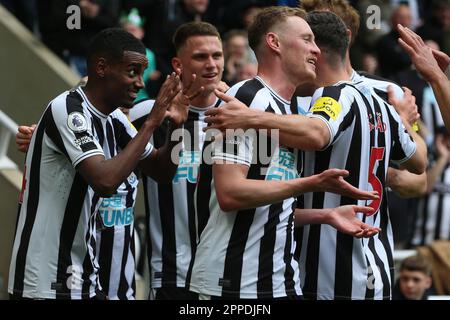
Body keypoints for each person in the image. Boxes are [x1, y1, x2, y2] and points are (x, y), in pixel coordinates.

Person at [204, 10, 427, 300]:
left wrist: (251, 118)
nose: (311, 48)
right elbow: (420, 165)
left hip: (325, 274)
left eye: (312, 39)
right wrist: (406, 124)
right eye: (304, 38)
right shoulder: (383, 100)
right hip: (363, 268)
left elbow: (318, 133)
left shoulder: (331, 97)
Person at [8, 28, 199, 300]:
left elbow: (160, 170)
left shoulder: (114, 119)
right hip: (45, 278)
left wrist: (178, 129)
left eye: (143, 73)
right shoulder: (68, 109)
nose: (140, 83)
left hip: (84, 273)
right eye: (132, 71)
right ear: (101, 67)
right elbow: (104, 182)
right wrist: (153, 122)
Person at [128, 21, 227, 300]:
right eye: (200, 56)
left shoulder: (239, 111)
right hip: (171, 272)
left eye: (217, 55)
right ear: (178, 64)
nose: (211, 64)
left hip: (226, 272)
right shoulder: (149, 113)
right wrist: (39, 133)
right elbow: (98, 131)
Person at [397, 23, 450, 131]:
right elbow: (410, 118)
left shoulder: (442, 77)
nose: (431, 61)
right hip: (422, 137)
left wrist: (441, 75)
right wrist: (420, 134)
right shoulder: (405, 80)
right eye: (427, 56)